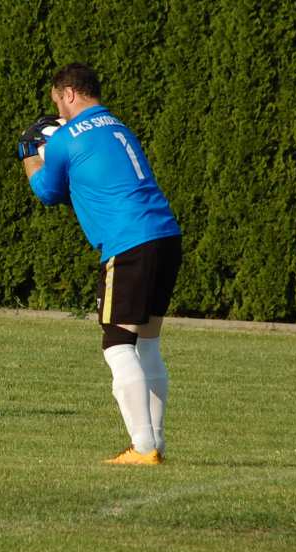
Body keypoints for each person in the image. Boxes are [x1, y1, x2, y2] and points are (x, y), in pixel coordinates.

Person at [17, 63, 182, 466]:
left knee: (117, 344)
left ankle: (143, 448)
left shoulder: (66, 140)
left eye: (58, 100)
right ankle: (155, 443)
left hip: (129, 243)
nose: (59, 109)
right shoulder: (119, 125)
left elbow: (46, 192)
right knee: (148, 343)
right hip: (166, 235)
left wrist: (28, 153)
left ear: (69, 93)